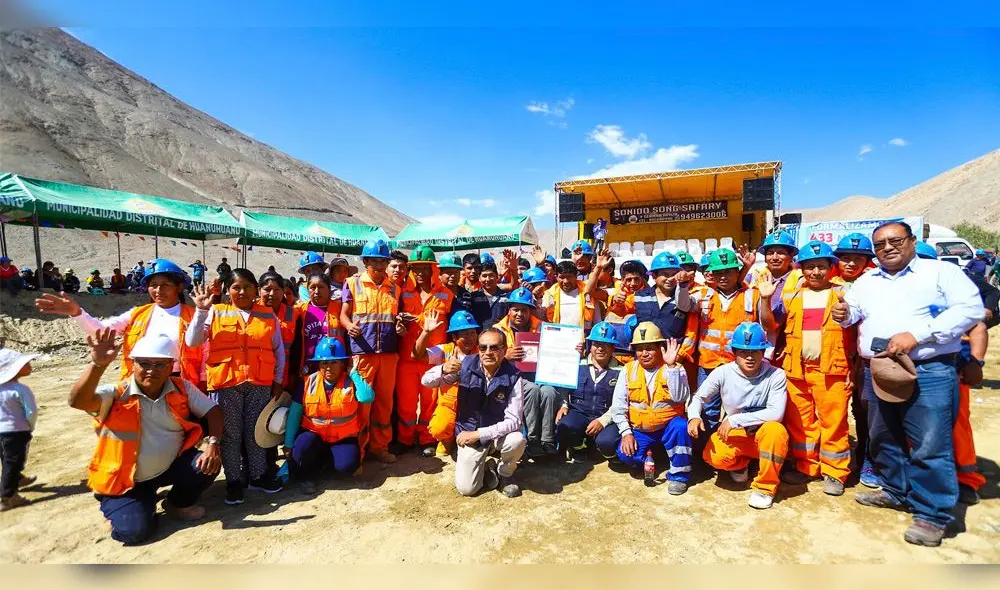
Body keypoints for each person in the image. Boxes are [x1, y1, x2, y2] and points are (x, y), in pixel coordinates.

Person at [833, 221, 985, 547]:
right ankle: (895, 490)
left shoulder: (940, 273)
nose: (887, 248)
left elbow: (971, 309)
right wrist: (843, 312)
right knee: (883, 436)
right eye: (880, 244)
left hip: (927, 368)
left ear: (912, 241)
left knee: (930, 443)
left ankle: (931, 514)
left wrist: (918, 334)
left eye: (895, 240)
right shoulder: (867, 280)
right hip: (879, 368)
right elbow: (853, 313)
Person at [69, 331, 223, 545]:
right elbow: (79, 401)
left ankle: (176, 504)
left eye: (160, 365)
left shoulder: (182, 388)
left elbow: (212, 411)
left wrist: (212, 443)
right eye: (144, 363)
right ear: (133, 365)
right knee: (134, 533)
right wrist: (97, 365)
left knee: (207, 463)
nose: (152, 370)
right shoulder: (116, 395)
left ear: (171, 367)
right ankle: (119, 505)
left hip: (168, 467)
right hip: (125, 480)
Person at [760, 241, 854, 496]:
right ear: (801, 269)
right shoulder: (793, 296)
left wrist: (852, 370)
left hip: (831, 370)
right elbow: (771, 326)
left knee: (834, 422)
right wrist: (766, 299)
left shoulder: (843, 294)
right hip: (796, 369)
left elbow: (857, 334)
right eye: (810, 267)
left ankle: (834, 472)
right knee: (801, 422)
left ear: (831, 268)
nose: (815, 272)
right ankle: (806, 466)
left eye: (821, 267)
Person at [187, 269, 286, 504]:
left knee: (255, 433)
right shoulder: (215, 312)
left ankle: (258, 476)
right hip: (225, 384)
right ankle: (233, 481)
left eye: (248, 287)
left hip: (259, 383)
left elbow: (278, 350)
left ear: (255, 290)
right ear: (227, 290)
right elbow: (193, 341)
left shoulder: (268, 316)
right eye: (236, 287)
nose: (242, 292)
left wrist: (278, 381)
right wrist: (201, 311)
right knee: (230, 436)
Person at [37, 259, 206, 386]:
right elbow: (102, 331)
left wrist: (204, 386)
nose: (158, 290)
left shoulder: (195, 316)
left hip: (182, 383)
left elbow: (206, 354)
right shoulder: (137, 314)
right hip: (141, 383)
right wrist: (77, 313)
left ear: (178, 287)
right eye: (153, 285)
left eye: (165, 285)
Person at [688, 322, 789, 510]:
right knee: (713, 456)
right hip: (739, 435)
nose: (749, 357)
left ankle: (765, 487)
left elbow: (776, 413)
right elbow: (699, 397)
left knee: (775, 430)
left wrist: (734, 419)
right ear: (734, 352)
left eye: (755, 352)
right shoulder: (723, 372)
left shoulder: (776, 375)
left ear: (763, 352)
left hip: (763, 436)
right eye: (743, 352)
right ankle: (741, 464)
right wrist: (694, 416)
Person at [282, 337, 374, 493]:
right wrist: (289, 444)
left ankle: (324, 461)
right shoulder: (307, 382)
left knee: (347, 465)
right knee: (301, 449)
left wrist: (354, 373)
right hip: (313, 435)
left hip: (342, 438)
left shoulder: (351, 380)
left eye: (334, 362)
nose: (329, 367)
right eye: (324, 363)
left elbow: (367, 397)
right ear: (318, 364)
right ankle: (307, 477)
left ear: (342, 363)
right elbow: (294, 415)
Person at [609, 322, 692, 495]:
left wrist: (671, 367)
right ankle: (657, 455)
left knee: (681, 427)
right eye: (640, 349)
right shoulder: (628, 369)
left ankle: (679, 475)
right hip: (641, 429)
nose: (644, 354)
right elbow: (618, 407)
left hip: (667, 427)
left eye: (649, 348)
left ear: (660, 348)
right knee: (626, 456)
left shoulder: (676, 368)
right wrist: (626, 433)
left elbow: (680, 398)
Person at [340, 239, 403, 463]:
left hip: (387, 354)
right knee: (362, 403)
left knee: (385, 404)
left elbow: (396, 320)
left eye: (382, 261)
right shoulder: (353, 283)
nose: (378, 265)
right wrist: (349, 326)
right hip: (362, 353)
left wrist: (400, 327)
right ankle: (360, 450)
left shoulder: (395, 288)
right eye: (373, 260)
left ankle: (380, 446)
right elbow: (343, 314)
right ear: (365, 261)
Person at [445, 328, 525, 498]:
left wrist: (479, 434)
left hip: (492, 435)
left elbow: (514, 422)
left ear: (504, 350)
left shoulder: (514, 376)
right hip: (469, 433)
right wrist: (443, 370)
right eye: (483, 348)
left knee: (517, 440)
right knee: (467, 489)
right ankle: (487, 466)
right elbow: (427, 381)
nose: (488, 352)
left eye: (494, 347)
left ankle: (505, 474)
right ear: (478, 349)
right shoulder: (465, 365)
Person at [690, 248, 763, 432]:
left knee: (740, 409)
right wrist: (683, 286)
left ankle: (739, 452)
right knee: (708, 411)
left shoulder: (751, 295)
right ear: (712, 274)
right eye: (718, 273)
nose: (723, 277)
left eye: (728, 272)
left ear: (737, 272)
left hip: (738, 365)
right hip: (708, 364)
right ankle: (708, 452)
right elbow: (684, 304)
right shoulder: (703, 295)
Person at [396, 246, 454, 455]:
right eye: (416, 268)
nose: (420, 273)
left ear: (433, 269)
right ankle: (404, 439)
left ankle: (427, 438)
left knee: (430, 401)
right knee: (406, 402)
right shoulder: (402, 294)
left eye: (424, 268)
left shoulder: (446, 295)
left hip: (433, 358)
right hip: (407, 357)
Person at [554, 322, 623, 463]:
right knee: (564, 426)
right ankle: (579, 448)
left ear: (613, 348)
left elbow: (620, 403)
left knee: (608, 442)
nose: (600, 348)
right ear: (590, 346)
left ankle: (606, 452)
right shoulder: (577, 364)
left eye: (606, 344)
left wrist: (602, 421)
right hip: (579, 413)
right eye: (596, 344)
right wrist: (564, 405)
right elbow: (564, 387)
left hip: (606, 416)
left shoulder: (622, 371)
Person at [496, 287, 552, 457]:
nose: (520, 314)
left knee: (549, 392)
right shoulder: (497, 330)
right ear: (509, 310)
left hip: (539, 374)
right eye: (515, 309)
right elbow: (486, 357)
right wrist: (504, 355)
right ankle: (532, 440)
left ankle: (548, 439)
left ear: (530, 311)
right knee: (532, 390)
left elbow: (556, 349)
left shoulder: (543, 328)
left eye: (524, 310)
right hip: (509, 377)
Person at [419, 310, 480, 456]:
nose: (470, 338)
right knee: (439, 428)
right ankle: (447, 440)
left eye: (473, 333)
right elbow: (419, 355)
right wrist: (426, 333)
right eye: (465, 334)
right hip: (449, 405)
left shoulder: (482, 351)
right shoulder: (445, 350)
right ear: (454, 337)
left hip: (474, 405)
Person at [0, 348, 38, 511]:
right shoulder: (21, 389)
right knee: (14, 460)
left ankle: (18, 479)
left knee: (6, 458)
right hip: (16, 431)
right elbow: (31, 412)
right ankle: (7, 497)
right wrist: (30, 426)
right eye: (25, 363)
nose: (29, 365)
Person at [258, 271, 303, 391]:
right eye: (267, 289)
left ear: (283, 291)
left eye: (277, 290)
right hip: (255, 378)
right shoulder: (250, 312)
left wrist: (293, 378)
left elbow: (296, 350)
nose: (272, 294)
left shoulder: (293, 315)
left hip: (284, 377)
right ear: (259, 291)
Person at [300, 273, 344, 375]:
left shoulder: (340, 309)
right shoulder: (299, 310)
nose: (316, 291)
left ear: (329, 289)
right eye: (312, 287)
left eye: (321, 287)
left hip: (332, 368)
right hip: (307, 368)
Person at [542, 260, 602, 332]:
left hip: (583, 340)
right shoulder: (549, 295)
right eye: (562, 277)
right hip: (557, 339)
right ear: (556, 277)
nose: (566, 281)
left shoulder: (587, 293)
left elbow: (597, 322)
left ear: (576, 276)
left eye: (569, 277)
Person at [439, 253, 490, 327]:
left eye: (456, 272)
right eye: (449, 272)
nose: (453, 276)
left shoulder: (466, 295)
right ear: (440, 273)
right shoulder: (434, 295)